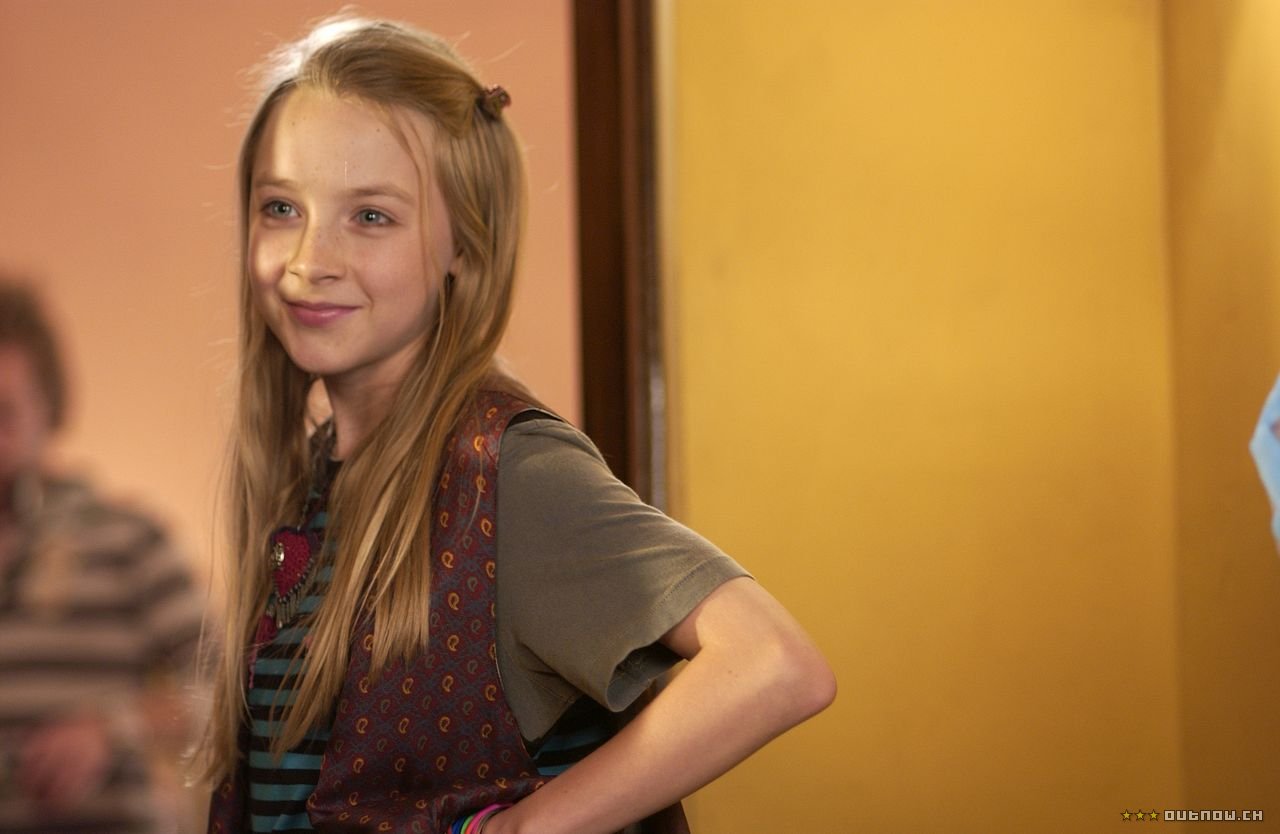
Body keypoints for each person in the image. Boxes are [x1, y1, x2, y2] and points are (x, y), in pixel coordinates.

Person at [201, 16, 836, 834]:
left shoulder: (503, 475)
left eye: (372, 217)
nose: (307, 261)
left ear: (465, 244)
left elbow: (775, 665)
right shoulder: (318, 481)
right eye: (282, 207)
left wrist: (524, 829)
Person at [0, 281, 206, 833]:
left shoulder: (128, 542)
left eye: (4, 414)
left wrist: (113, 728)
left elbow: (228, 692)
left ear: (49, 410)